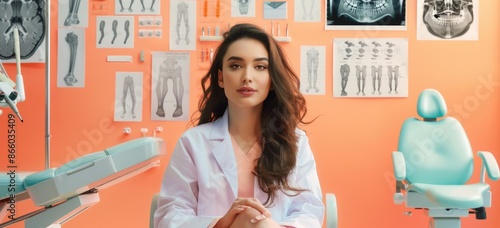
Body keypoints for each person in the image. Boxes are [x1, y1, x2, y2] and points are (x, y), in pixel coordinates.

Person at [154, 23, 324, 228]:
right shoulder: (193, 142)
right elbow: (170, 214)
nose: (247, 77)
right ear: (221, 78)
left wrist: (266, 226)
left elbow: (309, 211)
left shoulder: (296, 142)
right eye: (235, 66)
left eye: (260, 67)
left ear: (271, 80)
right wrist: (221, 223)